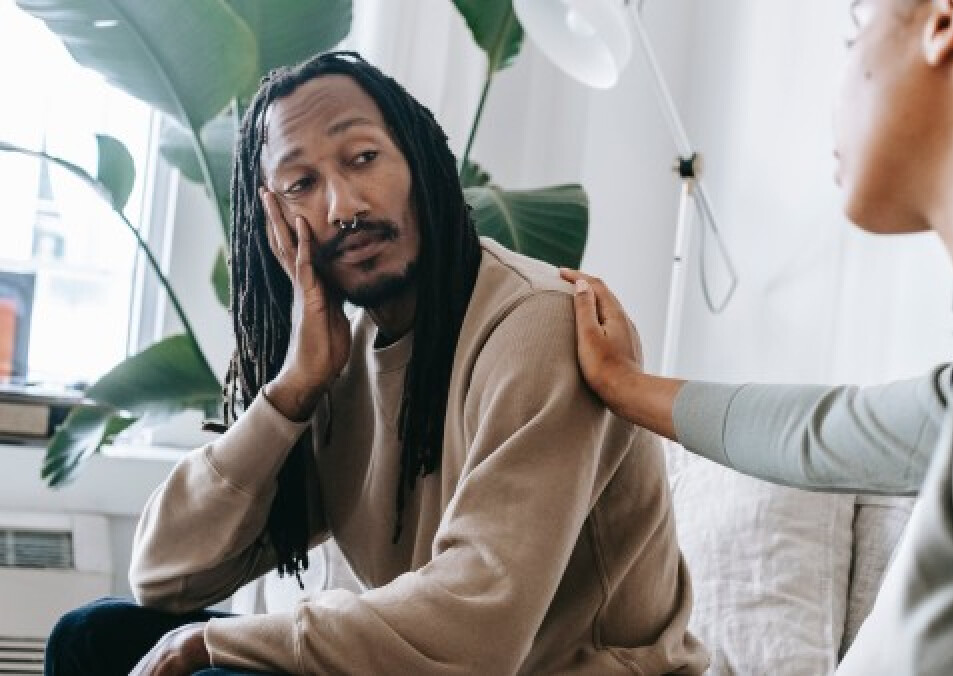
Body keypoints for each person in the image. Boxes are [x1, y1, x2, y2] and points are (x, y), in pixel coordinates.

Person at [562, 0, 953, 674]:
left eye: (852, 31)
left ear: (949, 17)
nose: (839, 81)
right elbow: (829, 432)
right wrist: (624, 385)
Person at [45, 51, 708, 676]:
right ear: (276, 223)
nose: (344, 207)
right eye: (302, 183)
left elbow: (480, 630)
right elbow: (165, 575)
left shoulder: (535, 323)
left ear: (418, 161)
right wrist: (291, 391)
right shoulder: (341, 362)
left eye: (363, 157)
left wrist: (213, 640)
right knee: (91, 639)